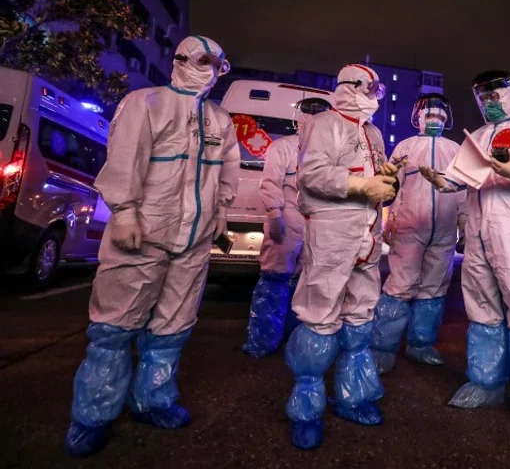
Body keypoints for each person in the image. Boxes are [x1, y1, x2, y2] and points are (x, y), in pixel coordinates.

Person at [65, 36, 240, 456]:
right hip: (142, 234)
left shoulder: (219, 119)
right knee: (114, 326)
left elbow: (227, 171)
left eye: (218, 63)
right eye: (203, 60)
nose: (211, 69)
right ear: (178, 60)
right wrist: (123, 211)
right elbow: (125, 158)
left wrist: (220, 213)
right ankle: (93, 415)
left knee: (173, 325)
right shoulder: (146, 103)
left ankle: (154, 400)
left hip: (194, 239)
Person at [420, 70, 510, 434]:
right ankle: (486, 383)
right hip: (479, 237)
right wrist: (443, 180)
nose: (490, 103)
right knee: (481, 306)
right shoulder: (479, 137)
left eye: (497, 95)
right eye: (484, 98)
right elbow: (462, 175)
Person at [283, 64, 401, 450]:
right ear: (353, 87)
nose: (376, 95)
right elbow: (312, 176)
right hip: (332, 233)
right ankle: (307, 407)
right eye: (372, 88)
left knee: (360, 315)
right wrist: (362, 184)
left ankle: (354, 395)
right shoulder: (324, 124)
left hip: (367, 235)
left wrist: (385, 181)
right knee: (320, 316)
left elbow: (371, 178)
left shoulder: (373, 132)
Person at [371, 94, 467, 373]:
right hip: (410, 227)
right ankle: (383, 347)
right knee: (401, 284)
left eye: (439, 115)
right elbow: (391, 187)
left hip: (445, 229)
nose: (434, 120)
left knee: (435, 287)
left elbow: (463, 192)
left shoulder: (456, 149)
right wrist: (388, 223)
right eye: (429, 115)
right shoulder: (406, 146)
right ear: (418, 118)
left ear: (447, 119)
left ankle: (421, 344)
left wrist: (464, 222)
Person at [242, 95, 332, 358]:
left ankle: (295, 342)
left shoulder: (331, 152)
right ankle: (263, 341)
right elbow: (270, 182)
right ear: (299, 117)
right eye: (309, 111)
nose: (314, 117)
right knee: (275, 278)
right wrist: (274, 214)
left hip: (318, 222)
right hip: (289, 218)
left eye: (320, 112)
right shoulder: (283, 147)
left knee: (308, 284)